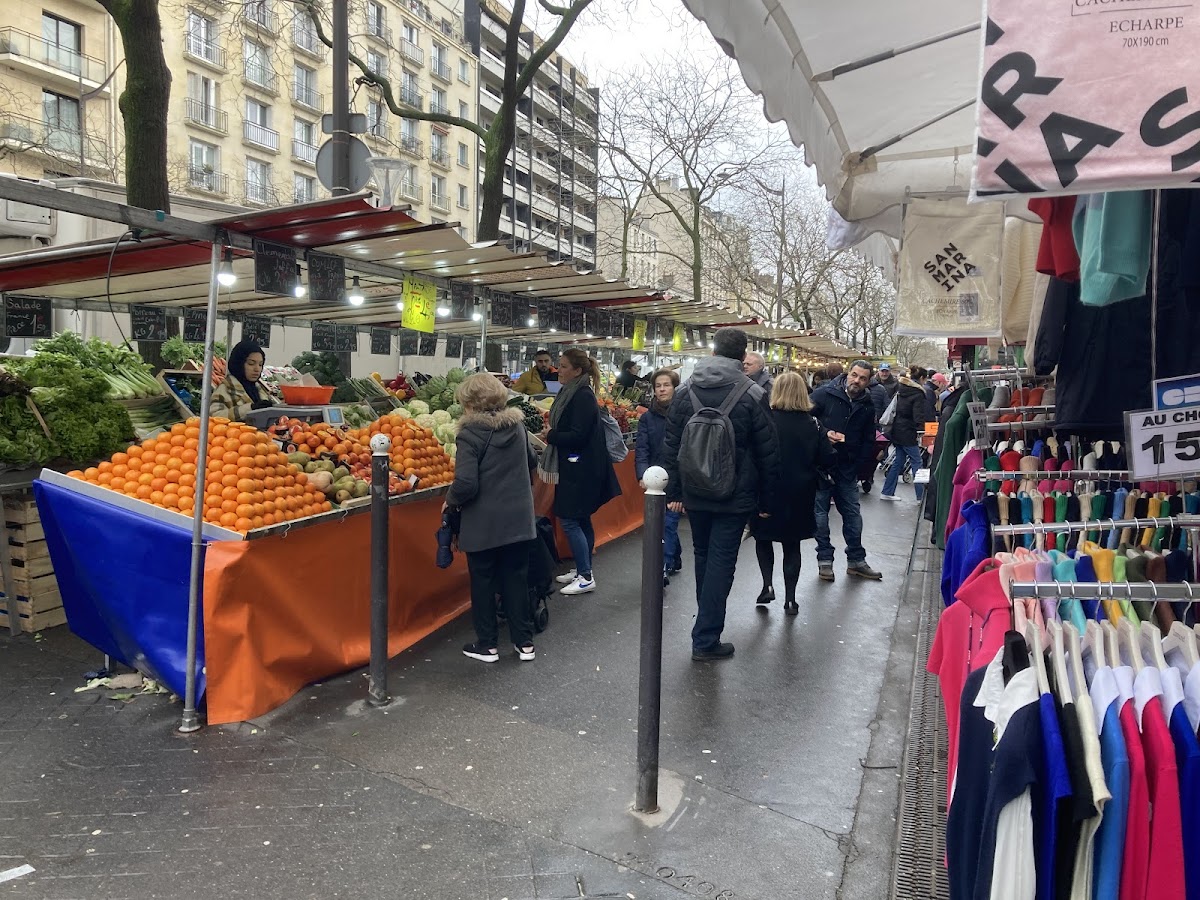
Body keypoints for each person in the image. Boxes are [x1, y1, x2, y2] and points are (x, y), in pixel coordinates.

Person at [663, 327, 780, 661]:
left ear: (713, 352)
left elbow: (671, 445)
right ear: (743, 358)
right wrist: (767, 502)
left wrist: (674, 490)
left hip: (695, 490)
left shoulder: (685, 391)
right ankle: (705, 637)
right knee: (721, 562)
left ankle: (706, 625)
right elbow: (768, 453)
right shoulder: (752, 394)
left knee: (703, 556)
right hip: (735, 495)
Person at [445, 373, 539, 663]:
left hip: (483, 522)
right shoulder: (518, 427)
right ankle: (524, 644)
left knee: (483, 581)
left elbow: (466, 484)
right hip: (518, 519)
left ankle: (487, 645)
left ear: (470, 403)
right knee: (516, 579)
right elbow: (533, 461)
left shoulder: (469, 434)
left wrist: (449, 501)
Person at [538, 348, 621, 596]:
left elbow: (578, 435)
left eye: (563, 366)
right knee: (581, 519)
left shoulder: (582, 396)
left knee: (570, 520)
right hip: (577, 465)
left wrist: (550, 435)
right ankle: (584, 569)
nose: (558, 370)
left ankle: (585, 576)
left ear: (577, 370)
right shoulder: (572, 392)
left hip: (581, 467)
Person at [751, 372, 837, 615]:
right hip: (800, 492)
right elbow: (827, 458)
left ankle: (767, 584)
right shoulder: (813, 424)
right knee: (792, 545)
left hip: (767, 489)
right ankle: (790, 599)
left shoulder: (765, 421)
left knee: (763, 539)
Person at [810, 360, 883, 582]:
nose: (857, 381)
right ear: (847, 374)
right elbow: (806, 421)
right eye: (854, 375)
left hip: (847, 468)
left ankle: (856, 561)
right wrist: (824, 434)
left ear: (868, 381)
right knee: (820, 517)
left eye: (862, 378)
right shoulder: (823, 394)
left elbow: (868, 438)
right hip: (821, 467)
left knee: (852, 514)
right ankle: (825, 561)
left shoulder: (867, 403)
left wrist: (860, 466)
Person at [634, 368, 683, 583]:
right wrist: (641, 474)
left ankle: (663, 566)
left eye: (666, 385)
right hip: (654, 477)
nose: (662, 389)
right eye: (658, 386)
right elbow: (642, 448)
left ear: (675, 387)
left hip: (677, 475)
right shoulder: (647, 417)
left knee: (668, 523)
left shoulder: (684, 413)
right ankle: (674, 557)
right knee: (661, 522)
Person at [880, 367, 931, 503]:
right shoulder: (918, 393)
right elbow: (918, 414)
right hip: (908, 432)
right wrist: (920, 430)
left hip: (897, 430)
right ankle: (921, 496)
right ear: (921, 378)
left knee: (899, 461)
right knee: (917, 462)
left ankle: (887, 491)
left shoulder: (902, 389)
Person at [210, 340, 272, 420]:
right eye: (251, 363)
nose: (257, 369)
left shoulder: (259, 389)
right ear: (239, 364)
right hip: (234, 432)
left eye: (260, 364)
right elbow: (215, 417)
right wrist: (249, 408)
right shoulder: (224, 390)